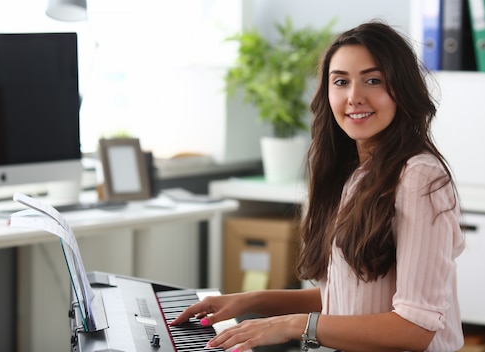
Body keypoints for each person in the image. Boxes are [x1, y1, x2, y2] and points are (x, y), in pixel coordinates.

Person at [171, 20, 465, 352]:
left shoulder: (418, 177)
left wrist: (293, 325)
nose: (354, 97)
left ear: (403, 89)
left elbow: (414, 328)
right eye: (341, 81)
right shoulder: (359, 175)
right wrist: (247, 301)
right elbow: (349, 299)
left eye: (373, 80)